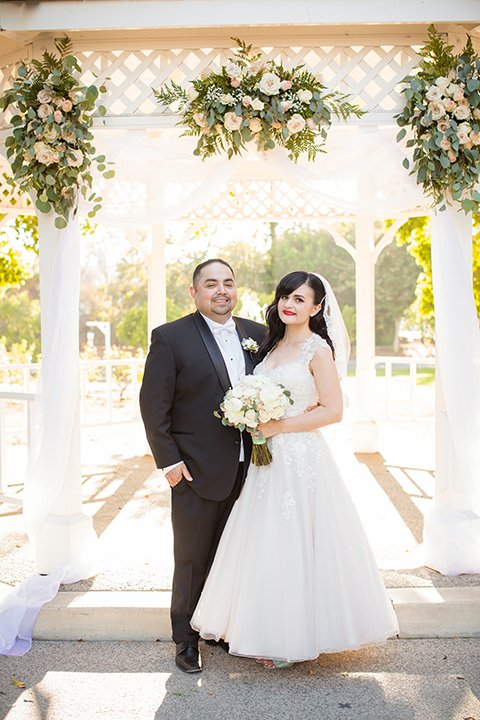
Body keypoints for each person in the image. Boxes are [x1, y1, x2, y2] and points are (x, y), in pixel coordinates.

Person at [191, 271, 399, 668]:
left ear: (317, 308)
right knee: (265, 542)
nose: (290, 304)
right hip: (266, 459)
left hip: (301, 458)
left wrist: (278, 425)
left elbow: (334, 410)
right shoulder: (269, 346)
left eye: (301, 299)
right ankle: (265, 629)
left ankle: (295, 639)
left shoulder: (317, 349)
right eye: (286, 296)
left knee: (296, 541)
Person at [139, 259, 267, 673]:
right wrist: (171, 464)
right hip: (194, 470)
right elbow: (153, 406)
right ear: (194, 293)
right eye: (211, 284)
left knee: (236, 556)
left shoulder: (259, 335)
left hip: (252, 470)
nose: (221, 291)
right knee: (192, 558)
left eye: (228, 283)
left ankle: (224, 629)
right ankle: (186, 640)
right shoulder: (170, 337)